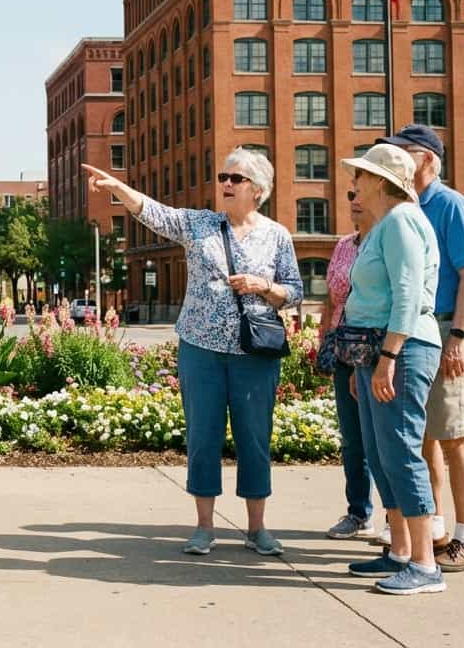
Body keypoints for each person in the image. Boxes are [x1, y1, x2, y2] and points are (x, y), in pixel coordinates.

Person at [82, 148, 303, 558]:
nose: (225, 185)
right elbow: (155, 213)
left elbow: (294, 289)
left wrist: (263, 286)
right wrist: (118, 189)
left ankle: (257, 528)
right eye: (223, 177)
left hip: (254, 353)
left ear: (257, 189)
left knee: (255, 439)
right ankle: (204, 527)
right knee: (203, 438)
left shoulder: (276, 235)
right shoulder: (200, 224)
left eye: (235, 179)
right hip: (200, 349)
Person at [377, 124, 464, 571]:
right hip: (418, 333)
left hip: (445, 332)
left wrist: (457, 335)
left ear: (425, 159)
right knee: (423, 439)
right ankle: (435, 531)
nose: (392, 161)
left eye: (400, 153)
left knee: (454, 435)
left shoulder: (451, 204)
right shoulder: (406, 207)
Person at [339, 144, 445, 596]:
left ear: (381, 182)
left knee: (401, 451)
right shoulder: (386, 225)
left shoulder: (401, 221)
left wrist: (388, 359)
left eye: (361, 176)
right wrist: (365, 364)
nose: (355, 184)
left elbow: (407, 295)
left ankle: (425, 566)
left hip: (400, 348)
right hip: (377, 350)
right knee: (382, 454)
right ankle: (399, 551)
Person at [318, 188, 376, 541]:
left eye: (361, 192)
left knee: (383, 440)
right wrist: (325, 333)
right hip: (343, 349)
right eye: (351, 192)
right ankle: (359, 512)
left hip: (376, 349)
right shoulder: (343, 244)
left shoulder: (386, 241)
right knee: (352, 439)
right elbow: (331, 294)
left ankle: (398, 519)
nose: (354, 198)